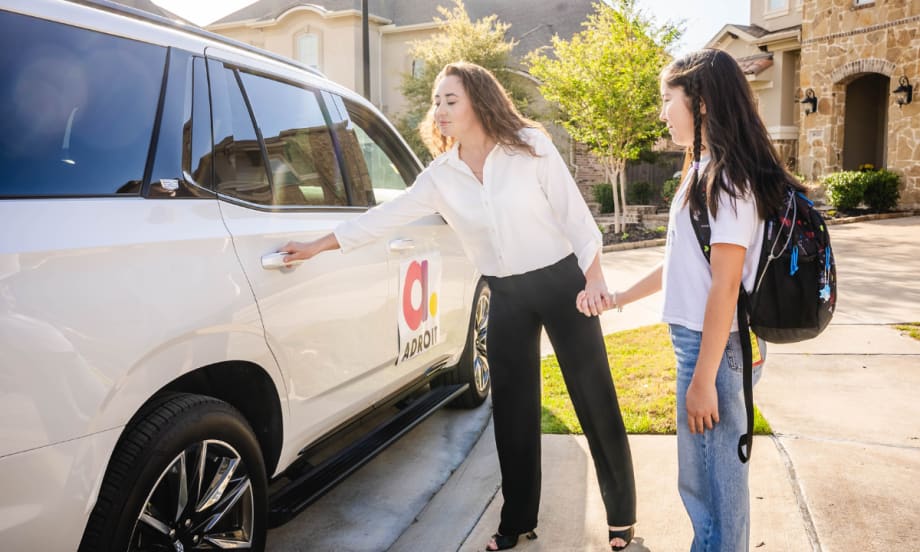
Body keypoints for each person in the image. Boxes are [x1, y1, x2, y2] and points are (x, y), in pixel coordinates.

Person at [279, 61, 637, 551]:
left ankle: (621, 518)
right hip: (505, 293)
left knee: (594, 399)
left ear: (480, 101)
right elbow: (384, 217)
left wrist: (594, 277)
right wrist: (319, 245)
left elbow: (574, 216)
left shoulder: (531, 148)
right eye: (436, 101)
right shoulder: (440, 176)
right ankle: (516, 521)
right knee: (512, 411)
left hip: (563, 283)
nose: (440, 110)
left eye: (451, 100)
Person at [587, 49, 802, 551]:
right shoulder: (704, 169)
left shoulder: (727, 178)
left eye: (669, 100)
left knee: (715, 486)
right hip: (710, 346)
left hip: (717, 350)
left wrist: (704, 378)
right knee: (702, 482)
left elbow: (726, 285)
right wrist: (620, 296)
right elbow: (686, 265)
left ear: (701, 103)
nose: (663, 113)